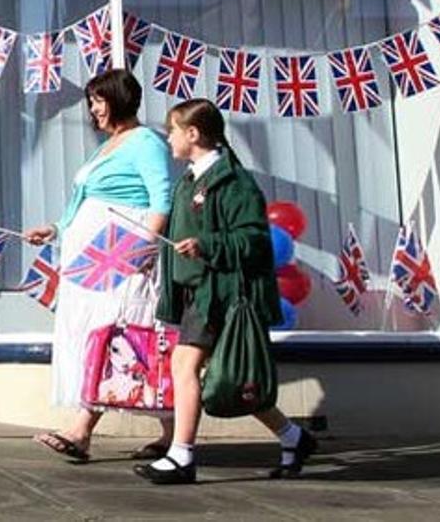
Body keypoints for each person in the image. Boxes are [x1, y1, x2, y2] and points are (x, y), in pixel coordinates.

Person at [135, 98, 317, 485]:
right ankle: (294, 437)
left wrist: (207, 245)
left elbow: (254, 239)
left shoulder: (234, 182)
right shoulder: (190, 181)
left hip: (221, 294)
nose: (168, 139)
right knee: (232, 377)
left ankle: (181, 456)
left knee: (184, 366)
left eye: (172, 130)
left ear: (193, 133)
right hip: (196, 293)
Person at [25, 69, 174, 462]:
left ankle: (82, 429)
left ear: (119, 99)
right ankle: (169, 430)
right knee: (95, 333)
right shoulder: (108, 145)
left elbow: (162, 199)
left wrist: (145, 248)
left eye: (99, 101)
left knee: (118, 333)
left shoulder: (145, 142)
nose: (93, 110)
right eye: (91, 102)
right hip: (91, 259)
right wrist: (55, 229)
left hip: (122, 253)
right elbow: (82, 203)